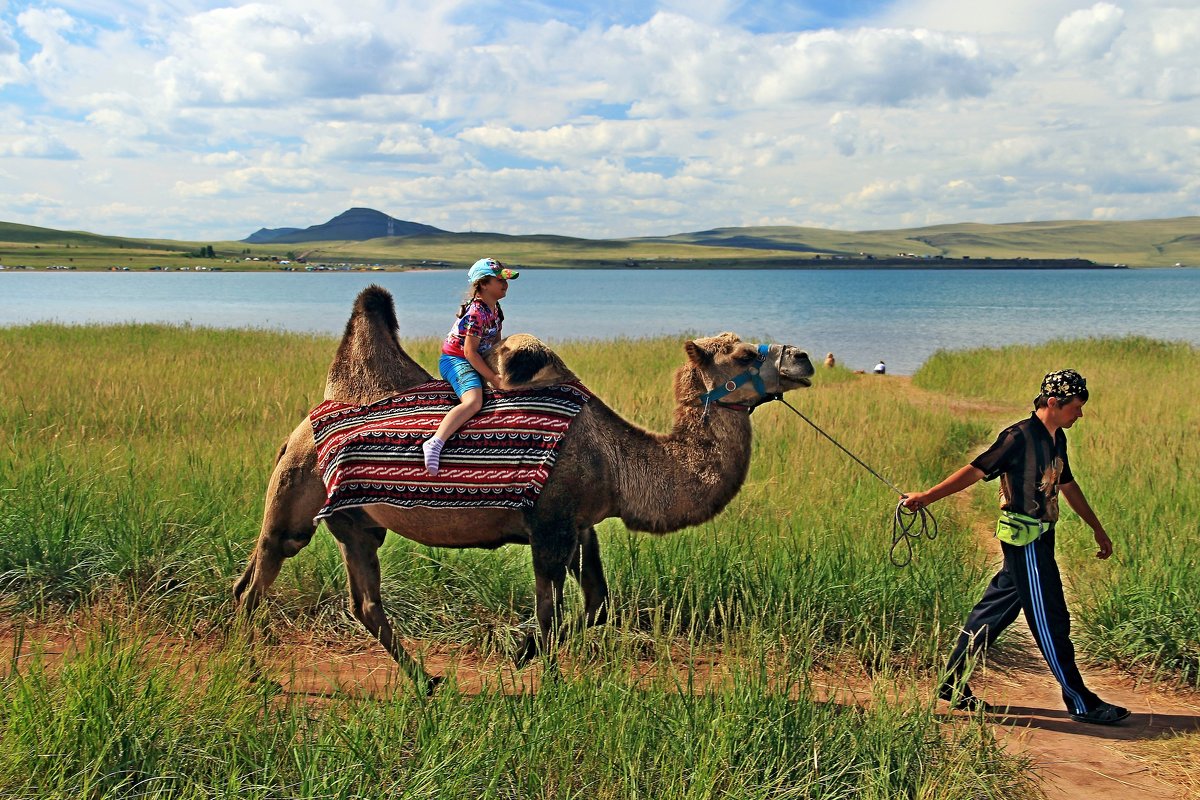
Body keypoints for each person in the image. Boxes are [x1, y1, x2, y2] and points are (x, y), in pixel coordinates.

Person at [901, 369, 1129, 725]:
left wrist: (1097, 528)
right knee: (1051, 618)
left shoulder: (1057, 439)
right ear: (1054, 403)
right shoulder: (1017, 437)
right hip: (1026, 542)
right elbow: (975, 470)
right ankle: (1081, 702)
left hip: (1042, 536)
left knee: (992, 613)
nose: (1080, 415)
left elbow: (1067, 484)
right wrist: (926, 497)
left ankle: (951, 683)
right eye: (1076, 408)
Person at [422, 257, 519, 475]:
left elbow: (496, 343)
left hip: (478, 356)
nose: (505, 284)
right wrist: (493, 378)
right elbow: (468, 351)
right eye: (499, 280)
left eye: (506, 279)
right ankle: (436, 442)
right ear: (483, 284)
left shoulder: (495, 309)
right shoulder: (477, 313)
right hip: (456, 360)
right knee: (474, 401)